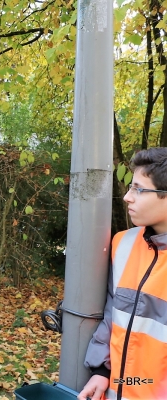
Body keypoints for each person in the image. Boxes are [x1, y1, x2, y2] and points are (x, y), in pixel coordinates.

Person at [78, 148, 167, 400]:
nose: (127, 197)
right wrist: (102, 371)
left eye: (139, 189)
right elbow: (113, 315)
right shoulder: (123, 244)